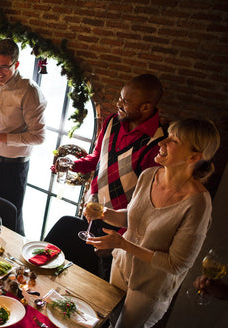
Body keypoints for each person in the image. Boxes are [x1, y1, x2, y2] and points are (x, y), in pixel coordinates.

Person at [84, 118, 220, 328]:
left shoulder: (198, 203)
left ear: (193, 157)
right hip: (122, 268)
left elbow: (178, 264)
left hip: (150, 287)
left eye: (173, 140)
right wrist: (104, 213)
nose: (163, 142)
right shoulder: (149, 175)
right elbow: (133, 218)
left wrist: (124, 244)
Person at [57, 74, 166, 279]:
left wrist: (119, 241)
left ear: (145, 107)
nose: (118, 103)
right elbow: (97, 158)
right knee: (74, 271)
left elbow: (147, 204)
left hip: (118, 228)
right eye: (120, 97)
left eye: (126, 101)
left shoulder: (157, 145)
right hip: (92, 212)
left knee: (102, 282)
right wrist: (73, 165)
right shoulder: (111, 122)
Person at [0, 39, 46, 235]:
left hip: (15, 166)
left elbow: (38, 137)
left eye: (4, 67)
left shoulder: (30, 91)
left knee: (9, 220)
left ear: (16, 64)